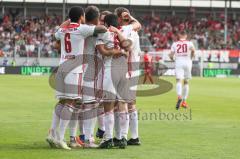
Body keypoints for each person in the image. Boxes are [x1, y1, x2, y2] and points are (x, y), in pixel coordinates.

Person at [46, 6, 107, 150]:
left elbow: (55, 35)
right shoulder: (82, 28)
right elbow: (101, 30)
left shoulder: (63, 30)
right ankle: (61, 138)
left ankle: (52, 134)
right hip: (75, 70)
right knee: (72, 103)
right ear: (81, 17)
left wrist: (67, 22)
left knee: (62, 102)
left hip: (61, 68)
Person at [78, 6, 125, 148]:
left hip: (89, 68)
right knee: (96, 105)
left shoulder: (82, 29)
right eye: (100, 17)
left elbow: (103, 50)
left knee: (86, 105)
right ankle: (114, 137)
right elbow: (126, 46)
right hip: (99, 69)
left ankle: (89, 137)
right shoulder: (111, 32)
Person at [96, 13, 131, 149]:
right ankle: (122, 137)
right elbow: (128, 47)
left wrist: (116, 51)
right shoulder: (121, 32)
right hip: (123, 70)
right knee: (122, 104)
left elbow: (103, 51)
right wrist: (121, 52)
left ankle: (108, 138)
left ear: (106, 24)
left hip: (110, 69)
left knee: (108, 106)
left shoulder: (103, 33)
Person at [114, 7, 142, 146]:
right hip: (135, 69)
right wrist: (130, 18)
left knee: (122, 103)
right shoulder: (134, 29)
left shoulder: (124, 30)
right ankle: (135, 137)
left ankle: (122, 136)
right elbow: (138, 24)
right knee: (131, 103)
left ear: (119, 18)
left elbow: (127, 46)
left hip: (127, 69)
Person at [169, 30, 195, 110]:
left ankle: (179, 96)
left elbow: (171, 55)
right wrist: (191, 57)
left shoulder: (175, 44)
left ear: (179, 35)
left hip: (179, 62)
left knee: (178, 80)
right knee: (186, 82)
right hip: (188, 62)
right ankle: (184, 101)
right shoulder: (189, 43)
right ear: (186, 35)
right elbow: (193, 50)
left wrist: (172, 59)